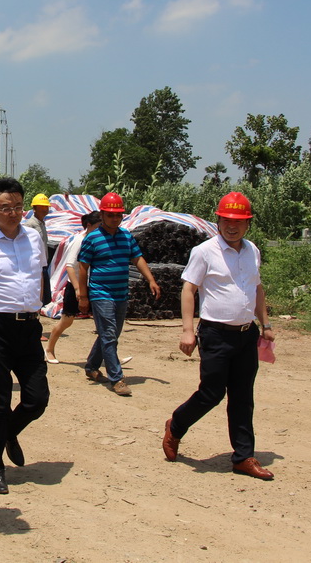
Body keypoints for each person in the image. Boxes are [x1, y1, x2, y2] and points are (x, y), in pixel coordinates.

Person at [162, 192, 277, 480]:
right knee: (211, 394)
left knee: (242, 397)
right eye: (226, 220)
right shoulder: (204, 251)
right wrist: (188, 330)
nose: (232, 226)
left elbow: (257, 288)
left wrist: (265, 323)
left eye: (238, 221)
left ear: (248, 223)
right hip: (215, 334)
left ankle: (243, 457)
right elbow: (189, 289)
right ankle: (176, 425)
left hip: (246, 334)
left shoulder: (252, 250)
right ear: (218, 221)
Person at [0, 177, 48, 496]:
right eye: (6, 207)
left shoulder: (33, 237)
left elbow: (39, 274)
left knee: (36, 398)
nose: (13, 213)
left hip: (29, 328)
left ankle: (8, 432)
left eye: (18, 206)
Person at [77, 192, 160, 396]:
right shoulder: (92, 238)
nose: (115, 219)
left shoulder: (126, 236)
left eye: (118, 215)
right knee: (108, 334)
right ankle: (116, 378)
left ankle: (91, 366)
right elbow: (83, 268)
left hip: (121, 293)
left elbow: (137, 258)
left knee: (111, 334)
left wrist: (151, 279)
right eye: (110, 215)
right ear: (102, 215)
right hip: (100, 293)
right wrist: (83, 296)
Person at [45, 211, 100, 364]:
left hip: (93, 285)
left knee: (103, 323)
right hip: (76, 286)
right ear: (89, 225)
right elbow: (70, 266)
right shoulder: (79, 241)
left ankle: (109, 356)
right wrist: (78, 289)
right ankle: (49, 349)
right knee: (66, 321)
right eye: (98, 226)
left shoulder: (99, 240)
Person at [23, 193, 52, 305]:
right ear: (34, 209)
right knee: (38, 295)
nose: (45, 209)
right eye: (42, 207)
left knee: (45, 297)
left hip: (43, 264)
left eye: (46, 207)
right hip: (36, 265)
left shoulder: (42, 224)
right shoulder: (30, 225)